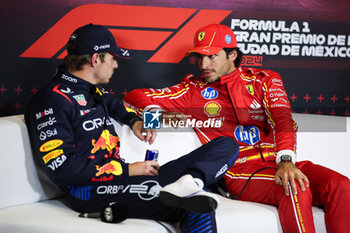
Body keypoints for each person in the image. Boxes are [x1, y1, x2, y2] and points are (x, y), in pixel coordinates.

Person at [123, 23, 350, 233]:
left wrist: (286, 161)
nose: (204, 65)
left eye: (212, 56)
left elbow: (282, 120)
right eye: (200, 57)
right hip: (240, 171)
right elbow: (135, 96)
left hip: (279, 162)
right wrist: (158, 113)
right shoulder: (192, 90)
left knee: (341, 185)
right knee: (294, 188)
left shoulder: (264, 80)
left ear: (232, 55)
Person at [25, 24, 240, 233]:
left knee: (227, 145)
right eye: (113, 59)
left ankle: (191, 181)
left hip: (122, 179)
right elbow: (62, 169)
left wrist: (133, 122)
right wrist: (129, 169)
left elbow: (116, 105)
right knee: (196, 204)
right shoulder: (51, 100)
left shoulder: (92, 91)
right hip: (89, 191)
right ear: (95, 59)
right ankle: (188, 189)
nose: (116, 65)